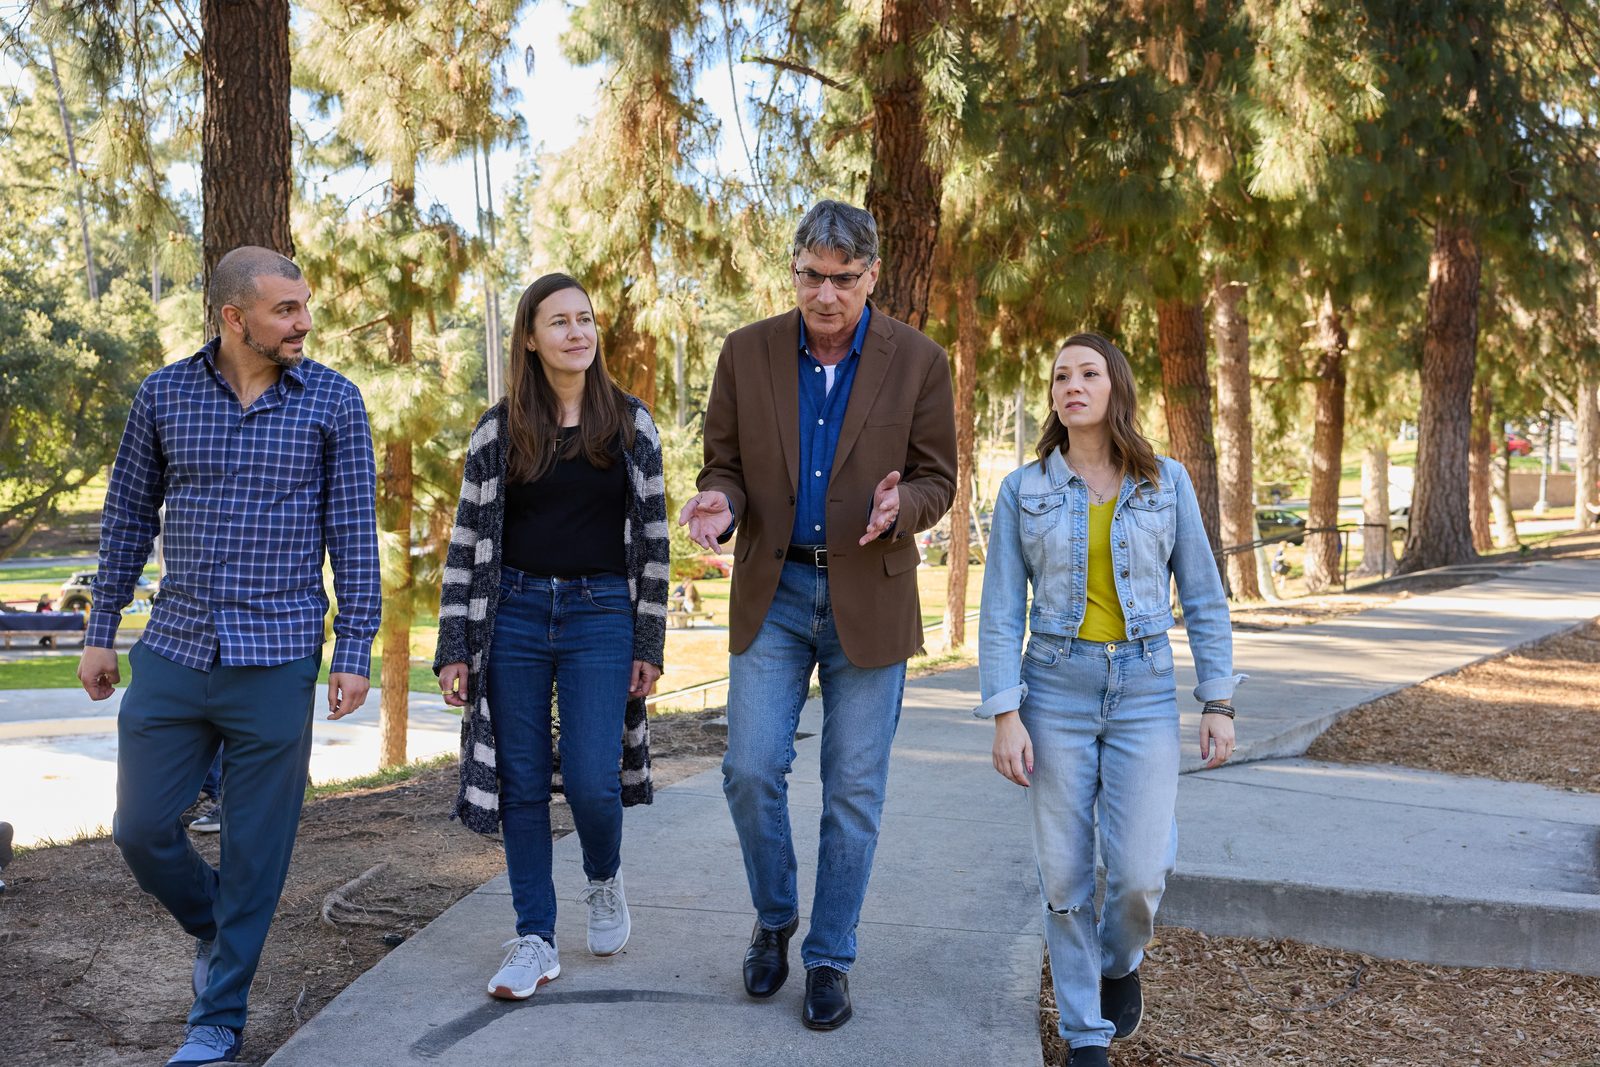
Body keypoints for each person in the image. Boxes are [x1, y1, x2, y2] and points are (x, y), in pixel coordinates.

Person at [77, 246, 379, 1067]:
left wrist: (354, 648)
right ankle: (218, 925)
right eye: (286, 309)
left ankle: (218, 1017)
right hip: (174, 646)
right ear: (233, 317)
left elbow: (353, 537)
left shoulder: (335, 403)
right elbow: (128, 516)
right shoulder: (165, 394)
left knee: (256, 847)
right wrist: (101, 628)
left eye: (306, 306)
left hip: (278, 655)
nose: (304, 322)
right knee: (141, 829)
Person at [679, 200, 956, 1031]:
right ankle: (775, 916)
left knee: (854, 790)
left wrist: (900, 505)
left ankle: (830, 953)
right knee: (751, 769)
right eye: (811, 276)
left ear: (872, 276)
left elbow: (939, 478)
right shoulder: (746, 352)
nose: (826, 294)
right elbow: (724, 466)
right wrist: (716, 506)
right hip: (775, 591)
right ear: (792, 270)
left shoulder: (920, 360)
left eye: (843, 279)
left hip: (870, 594)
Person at [976, 333, 1244, 1067]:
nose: (1072, 384)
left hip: (1145, 689)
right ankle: (1085, 1031)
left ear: (1114, 387)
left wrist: (1216, 699)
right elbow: (1000, 610)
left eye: (1088, 372)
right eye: (1060, 374)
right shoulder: (1022, 490)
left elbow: (1204, 596)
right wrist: (1005, 713)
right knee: (1063, 872)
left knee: (1137, 873)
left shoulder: (1167, 482)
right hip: (1053, 690)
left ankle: (1120, 962)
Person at [434, 272, 669, 1001]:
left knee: (597, 779)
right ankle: (534, 935)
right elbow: (466, 538)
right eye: (558, 321)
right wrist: (452, 645)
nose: (576, 332)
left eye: (585, 319)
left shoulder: (630, 424)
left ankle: (603, 879)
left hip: (602, 612)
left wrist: (648, 642)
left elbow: (655, 541)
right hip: (515, 612)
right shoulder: (499, 429)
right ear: (530, 338)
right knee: (523, 780)